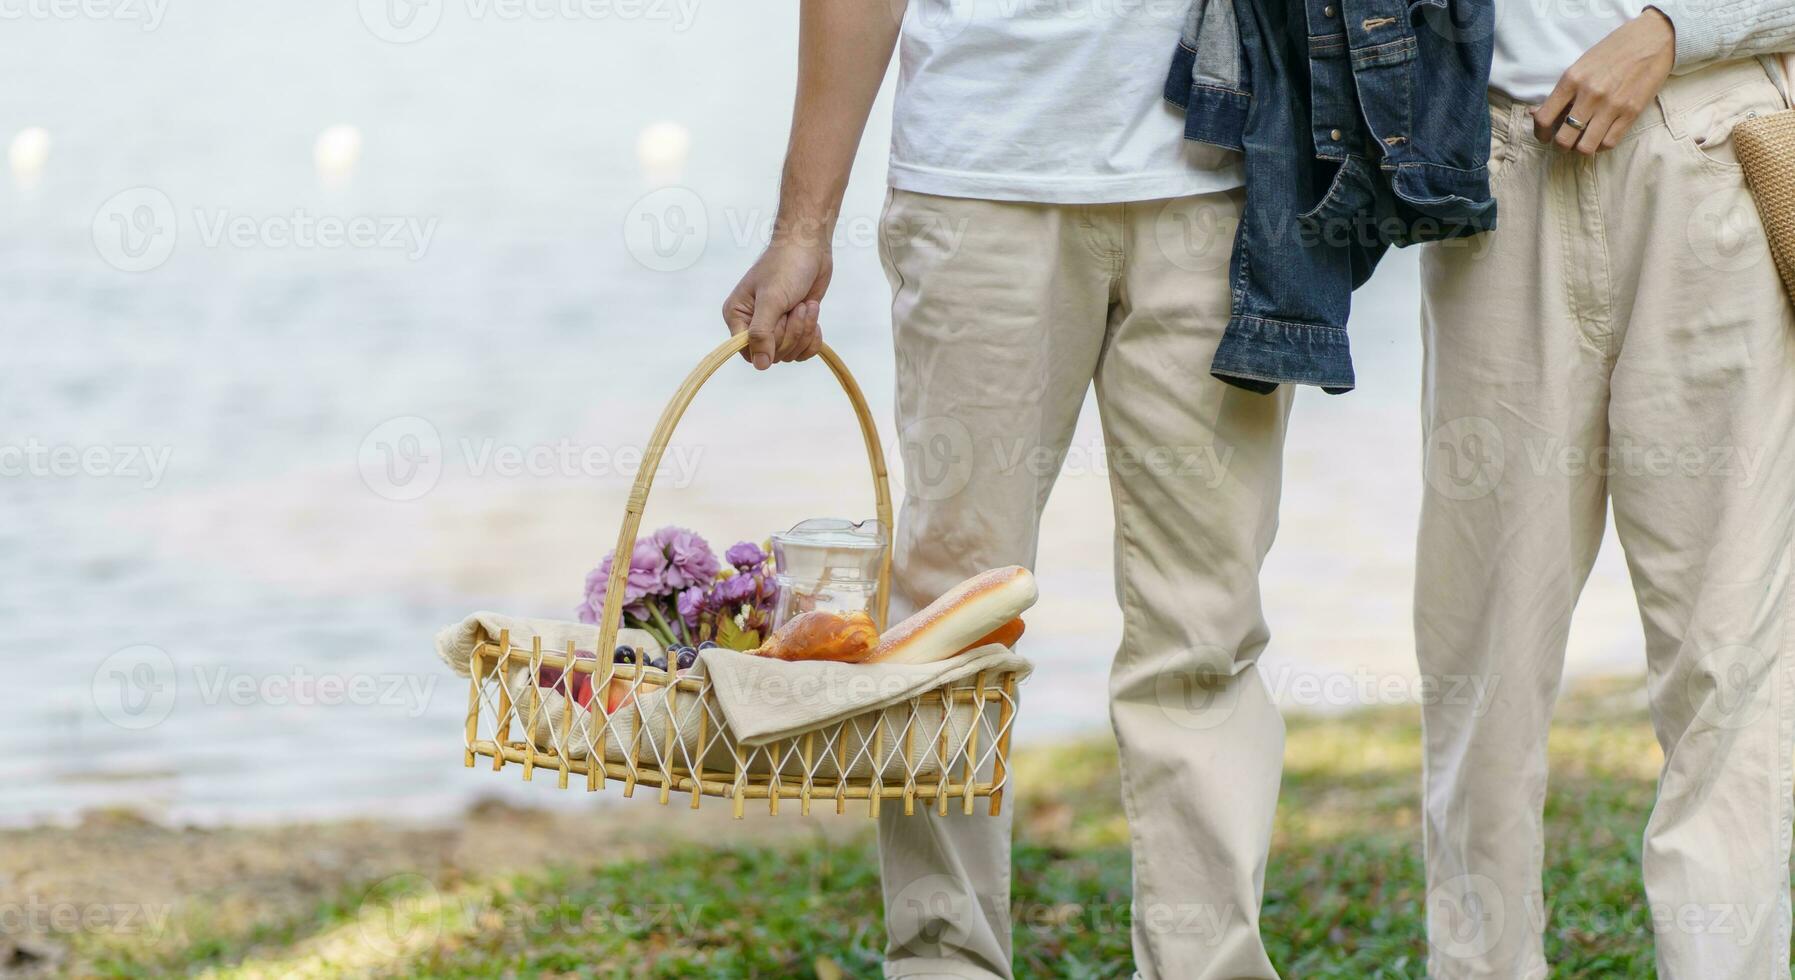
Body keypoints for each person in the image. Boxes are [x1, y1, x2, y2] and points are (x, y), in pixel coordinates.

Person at [721, 2, 1294, 977]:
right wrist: (800, 228)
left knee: (1204, 627)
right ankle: (943, 961)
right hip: (980, 178)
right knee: (944, 625)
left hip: (1223, 174)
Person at [1415, 4, 1795, 976]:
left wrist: (1671, 29)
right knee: (1482, 653)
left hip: (1710, 145)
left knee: (1727, 660)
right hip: (1495, 158)